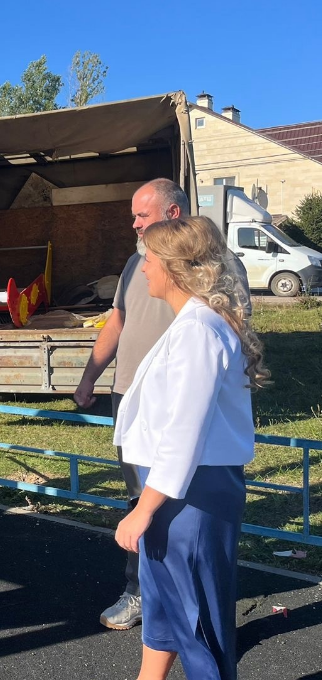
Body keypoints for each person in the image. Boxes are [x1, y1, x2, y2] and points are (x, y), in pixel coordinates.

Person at [73, 178, 250, 631]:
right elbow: (119, 319)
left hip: (180, 406)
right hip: (131, 397)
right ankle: (145, 593)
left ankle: (195, 611)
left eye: (141, 215)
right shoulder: (138, 262)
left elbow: (228, 336)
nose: (133, 223)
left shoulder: (218, 267)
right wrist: (91, 375)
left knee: (178, 507)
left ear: (173, 214)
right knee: (140, 499)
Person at [113, 216, 268, 679]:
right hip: (175, 488)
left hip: (191, 493)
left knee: (198, 621)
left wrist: (143, 509)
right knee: (163, 602)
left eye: (149, 260)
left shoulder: (199, 330)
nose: (143, 271)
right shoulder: (194, 323)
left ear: (174, 268)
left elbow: (185, 431)